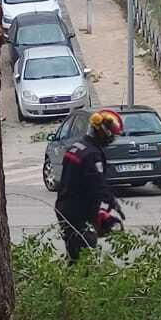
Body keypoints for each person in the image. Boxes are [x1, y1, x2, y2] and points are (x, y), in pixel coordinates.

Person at [54, 109, 125, 262]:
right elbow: (97, 184)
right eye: (112, 135)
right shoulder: (92, 154)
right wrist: (112, 202)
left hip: (65, 208)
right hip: (76, 212)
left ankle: (72, 281)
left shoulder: (77, 147)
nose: (112, 139)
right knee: (84, 253)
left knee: (75, 253)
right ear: (103, 132)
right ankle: (77, 283)